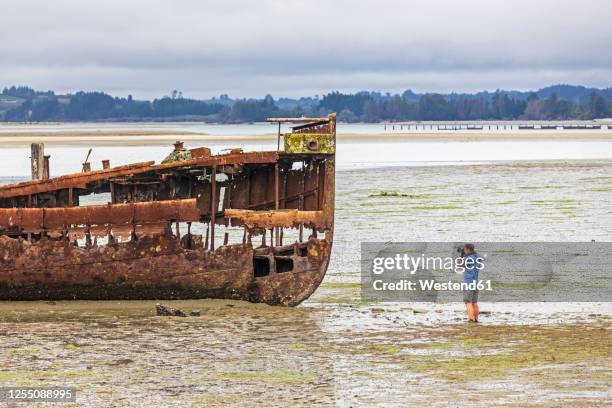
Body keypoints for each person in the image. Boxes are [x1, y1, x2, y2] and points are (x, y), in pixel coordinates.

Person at [461, 243, 482, 322]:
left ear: (467, 249)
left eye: (464, 249)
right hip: (476, 282)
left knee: (468, 302)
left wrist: (462, 257)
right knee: (474, 302)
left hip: (468, 282)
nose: (464, 250)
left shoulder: (468, 258)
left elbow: (459, 265)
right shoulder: (478, 257)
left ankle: (470, 319)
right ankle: (476, 319)